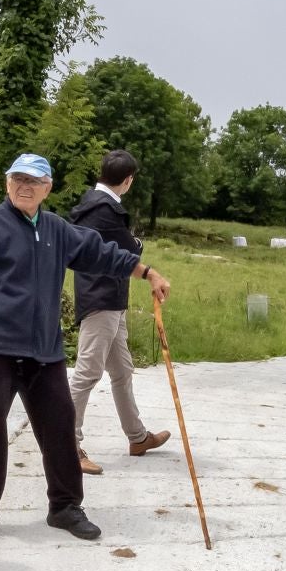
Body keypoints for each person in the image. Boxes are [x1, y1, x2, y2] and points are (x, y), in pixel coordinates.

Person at [0, 153, 172, 545]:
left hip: (45, 352)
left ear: (47, 188)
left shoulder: (57, 229)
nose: (25, 186)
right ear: (7, 183)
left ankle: (65, 506)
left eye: (33, 181)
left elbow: (101, 253)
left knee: (59, 429)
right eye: (18, 178)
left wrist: (147, 271)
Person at [67, 149, 171, 476]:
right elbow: (129, 250)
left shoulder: (92, 203)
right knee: (87, 373)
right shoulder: (104, 210)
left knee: (122, 371)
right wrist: (138, 247)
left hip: (109, 298)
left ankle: (137, 437)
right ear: (128, 180)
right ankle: (68, 443)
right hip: (101, 299)